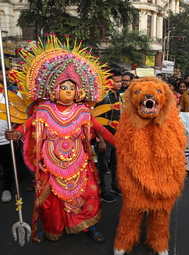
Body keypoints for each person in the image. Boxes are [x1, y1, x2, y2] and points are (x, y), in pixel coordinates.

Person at [4, 35, 116, 244]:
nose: (68, 92)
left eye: (71, 88)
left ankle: (89, 225)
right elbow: (26, 127)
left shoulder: (83, 110)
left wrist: (122, 144)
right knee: (51, 202)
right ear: (55, 90)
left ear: (78, 90)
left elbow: (102, 129)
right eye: (64, 88)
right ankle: (53, 227)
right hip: (50, 163)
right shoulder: (44, 109)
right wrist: (16, 133)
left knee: (87, 195)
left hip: (79, 163)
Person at [94, 70, 122, 203]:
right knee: (103, 166)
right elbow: (96, 120)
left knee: (117, 164)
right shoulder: (102, 97)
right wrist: (100, 140)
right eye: (117, 81)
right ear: (108, 82)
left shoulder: (119, 96)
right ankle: (101, 191)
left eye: (121, 81)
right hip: (105, 138)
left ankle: (115, 186)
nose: (120, 83)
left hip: (117, 137)